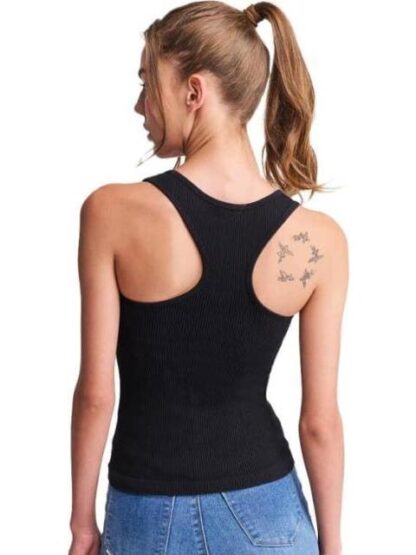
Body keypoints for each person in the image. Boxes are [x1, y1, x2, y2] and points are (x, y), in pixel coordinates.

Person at [69, 2, 348, 554]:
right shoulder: (318, 240)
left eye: (147, 83)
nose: (140, 105)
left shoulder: (111, 212)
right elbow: (320, 423)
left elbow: (97, 395)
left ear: (193, 91)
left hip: (146, 513)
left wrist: (81, 522)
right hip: (268, 515)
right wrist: (333, 546)